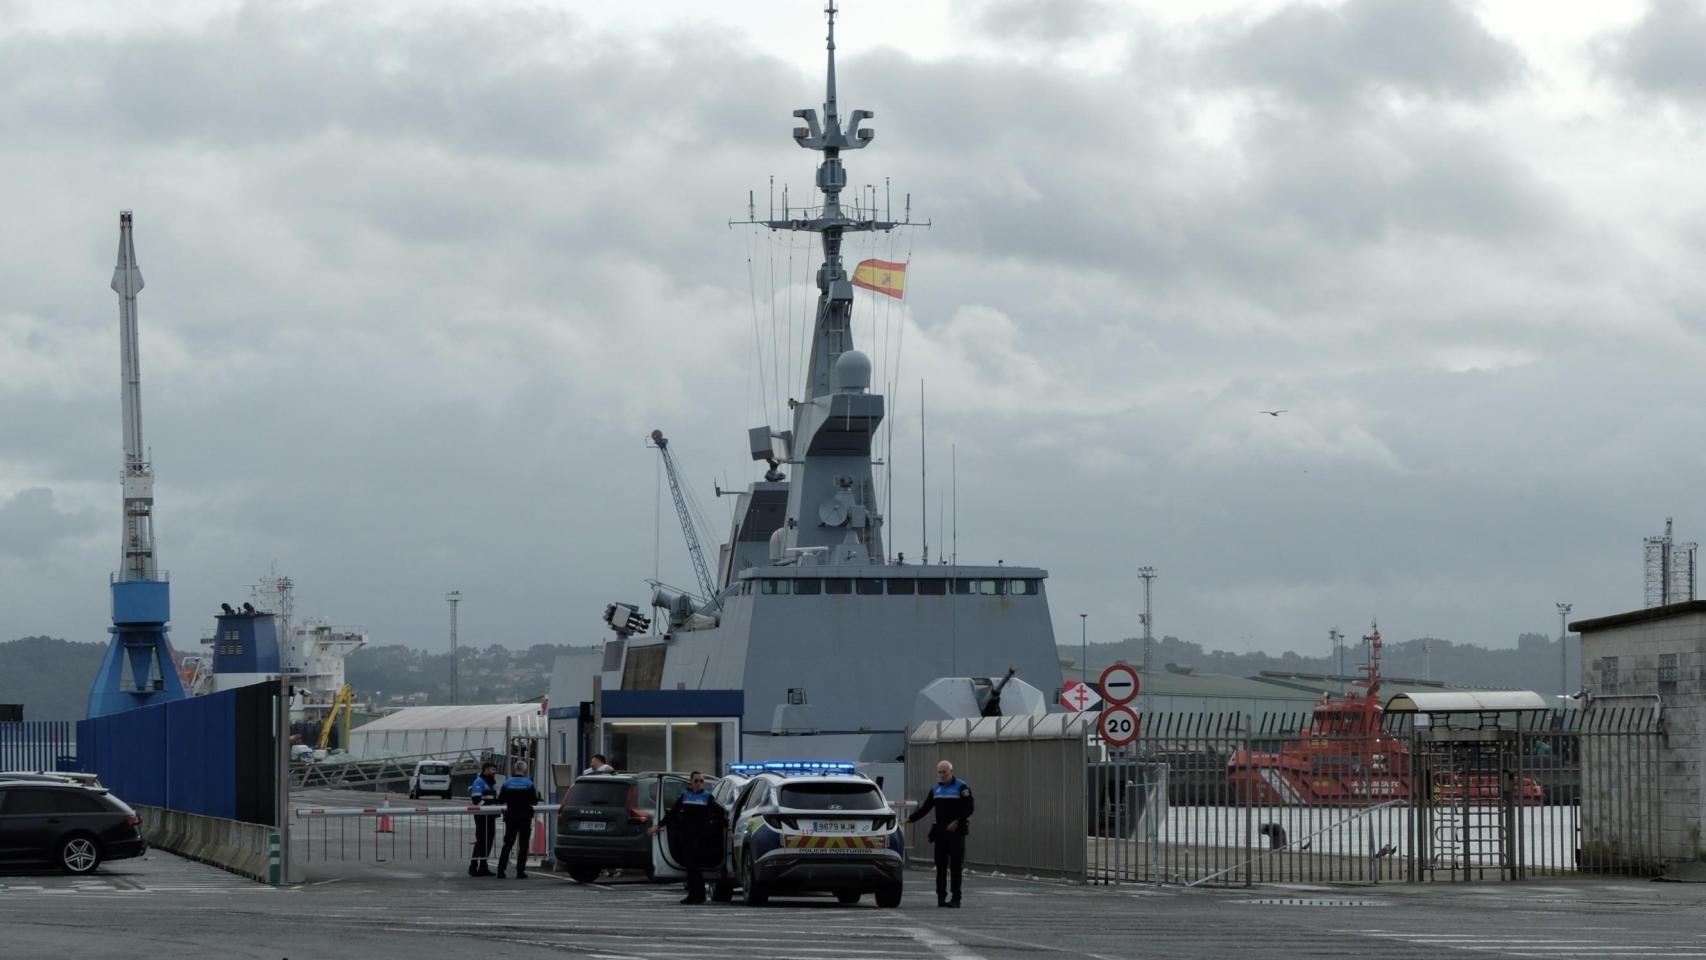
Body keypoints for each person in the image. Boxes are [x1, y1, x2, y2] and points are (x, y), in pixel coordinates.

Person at [649, 771, 725, 904]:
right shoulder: (685, 796)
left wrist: (726, 826)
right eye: (696, 781)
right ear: (691, 782)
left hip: (700, 836)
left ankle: (699, 895)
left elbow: (720, 813)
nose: (699, 784)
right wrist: (659, 825)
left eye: (701, 781)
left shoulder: (707, 796)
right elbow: (673, 813)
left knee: (694, 865)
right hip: (687, 835)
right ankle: (693, 895)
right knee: (690, 867)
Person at [907, 760, 973, 907]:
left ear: (951, 771)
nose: (942, 775)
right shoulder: (936, 789)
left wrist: (957, 821)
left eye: (945, 772)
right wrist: (910, 819)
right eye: (940, 772)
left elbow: (969, 808)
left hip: (956, 833)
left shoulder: (961, 787)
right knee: (940, 867)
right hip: (941, 834)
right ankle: (941, 897)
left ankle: (956, 898)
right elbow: (925, 808)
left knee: (956, 866)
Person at [496, 760, 542, 879]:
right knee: (523, 845)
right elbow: (534, 801)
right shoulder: (529, 783)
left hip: (511, 817)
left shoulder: (507, 783)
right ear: (525, 770)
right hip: (525, 817)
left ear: (514, 769)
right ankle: (520, 871)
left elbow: (500, 800)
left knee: (507, 844)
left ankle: (501, 871)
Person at [468, 761, 500, 877]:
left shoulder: (492, 782)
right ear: (485, 769)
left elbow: (493, 797)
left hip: (490, 815)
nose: (494, 772)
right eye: (492, 769)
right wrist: (489, 804)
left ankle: (483, 866)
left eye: (495, 770)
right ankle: (473, 866)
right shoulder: (479, 782)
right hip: (482, 815)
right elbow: (476, 800)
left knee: (489, 840)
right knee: (481, 840)